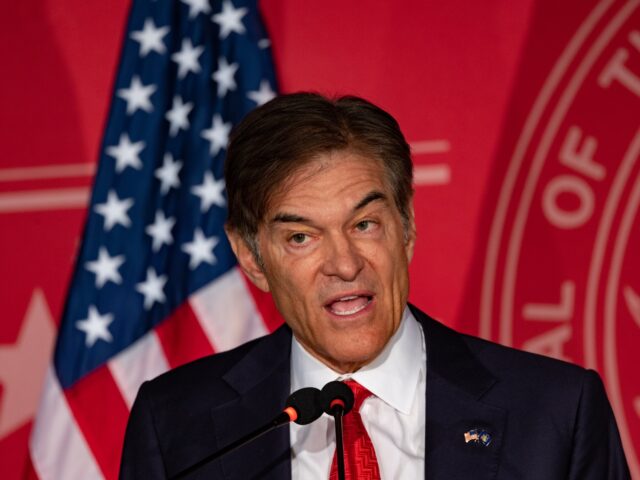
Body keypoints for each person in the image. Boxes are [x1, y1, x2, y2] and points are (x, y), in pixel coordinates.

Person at [120, 93, 630, 479]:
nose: (343, 264)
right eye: (301, 237)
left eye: (364, 225)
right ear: (252, 258)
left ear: (406, 224)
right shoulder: (176, 427)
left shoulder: (556, 413)